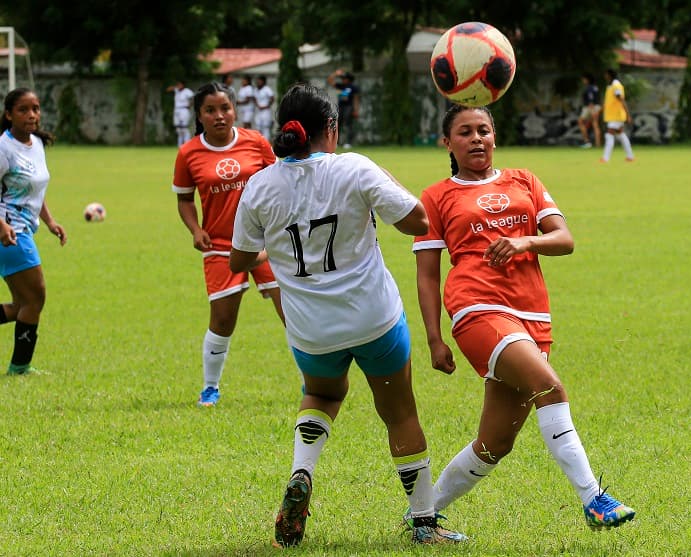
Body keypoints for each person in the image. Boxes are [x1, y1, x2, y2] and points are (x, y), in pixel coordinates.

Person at [229, 83, 467, 547]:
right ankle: (423, 523)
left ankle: (302, 472)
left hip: (310, 329)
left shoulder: (261, 184)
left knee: (321, 395)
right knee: (399, 413)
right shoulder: (354, 168)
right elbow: (418, 222)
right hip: (373, 319)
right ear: (331, 130)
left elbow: (239, 261)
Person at [413, 104, 635, 531]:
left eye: (483, 130)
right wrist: (433, 338)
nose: (476, 138)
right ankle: (595, 499)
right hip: (476, 309)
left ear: (495, 137)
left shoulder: (525, 180)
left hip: (531, 314)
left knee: (494, 443)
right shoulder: (437, 195)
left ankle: (421, 516)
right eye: (464, 132)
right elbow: (427, 274)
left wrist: (523, 242)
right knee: (549, 387)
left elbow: (564, 240)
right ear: (447, 143)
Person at [171, 81, 284, 407]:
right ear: (199, 115)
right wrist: (195, 229)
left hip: (267, 243)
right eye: (210, 110)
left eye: (225, 108)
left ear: (234, 110)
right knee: (222, 318)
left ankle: (313, 381)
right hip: (221, 246)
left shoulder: (256, 142)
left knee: (291, 312)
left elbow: (281, 182)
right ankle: (210, 387)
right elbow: (184, 199)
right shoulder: (188, 153)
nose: (219, 116)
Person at [0, 88, 67, 375]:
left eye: (36, 109)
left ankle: (20, 365)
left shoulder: (35, 144)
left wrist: (50, 221)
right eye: (24, 110)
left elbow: (34, 190)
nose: (32, 115)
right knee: (34, 298)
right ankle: (20, 367)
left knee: (23, 304)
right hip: (9, 231)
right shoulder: (4, 147)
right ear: (8, 114)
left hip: (22, 228)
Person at [598, 69, 635, 163]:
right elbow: (609, 102)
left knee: (609, 134)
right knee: (620, 134)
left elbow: (621, 100)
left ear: (609, 75)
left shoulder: (616, 86)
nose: (605, 76)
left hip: (616, 115)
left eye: (606, 74)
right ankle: (630, 156)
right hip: (612, 115)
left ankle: (605, 158)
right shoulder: (610, 86)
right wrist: (600, 111)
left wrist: (628, 114)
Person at [326, 68, 360, 149]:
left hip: (349, 107)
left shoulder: (353, 87)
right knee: (338, 124)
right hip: (341, 106)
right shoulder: (341, 86)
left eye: (344, 78)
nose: (343, 79)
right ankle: (336, 142)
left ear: (348, 79)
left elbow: (356, 99)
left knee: (348, 125)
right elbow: (330, 81)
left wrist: (355, 110)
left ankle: (348, 142)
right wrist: (335, 74)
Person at [577, 72, 601, 148]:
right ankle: (598, 144)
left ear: (587, 80)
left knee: (580, 121)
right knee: (595, 125)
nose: (583, 81)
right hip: (597, 106)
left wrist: (592, 110)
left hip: (590, 107)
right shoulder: (595, 87)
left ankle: (587, 141)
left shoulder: (589, 88)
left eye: (584, 79)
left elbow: (591, 99)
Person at [167, 80, 194, 147]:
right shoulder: (177, 91)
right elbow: (168, 89)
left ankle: (187, 143)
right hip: (177, 110)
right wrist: (175, 87)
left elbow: (193, 98)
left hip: (184, 109)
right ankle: (180, 145)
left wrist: (190, 105)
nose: (178, 86)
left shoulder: (187, 91)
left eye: (180, 84)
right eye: (178, 84)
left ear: (183, 85)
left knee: (184, 127)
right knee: (178, 128)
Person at [253, 75, 275, 142]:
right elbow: (254, 98)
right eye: (257, 81)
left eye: (259, 81)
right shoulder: (256, 89)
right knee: (258, 127)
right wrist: (257, 105)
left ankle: (266, 142)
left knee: (266, 128)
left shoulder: (267, 89)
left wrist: (267, 106)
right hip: (258, 111)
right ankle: (259, 142)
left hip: (266, 111)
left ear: (263, 81)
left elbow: (272, 98)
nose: (258, 82)